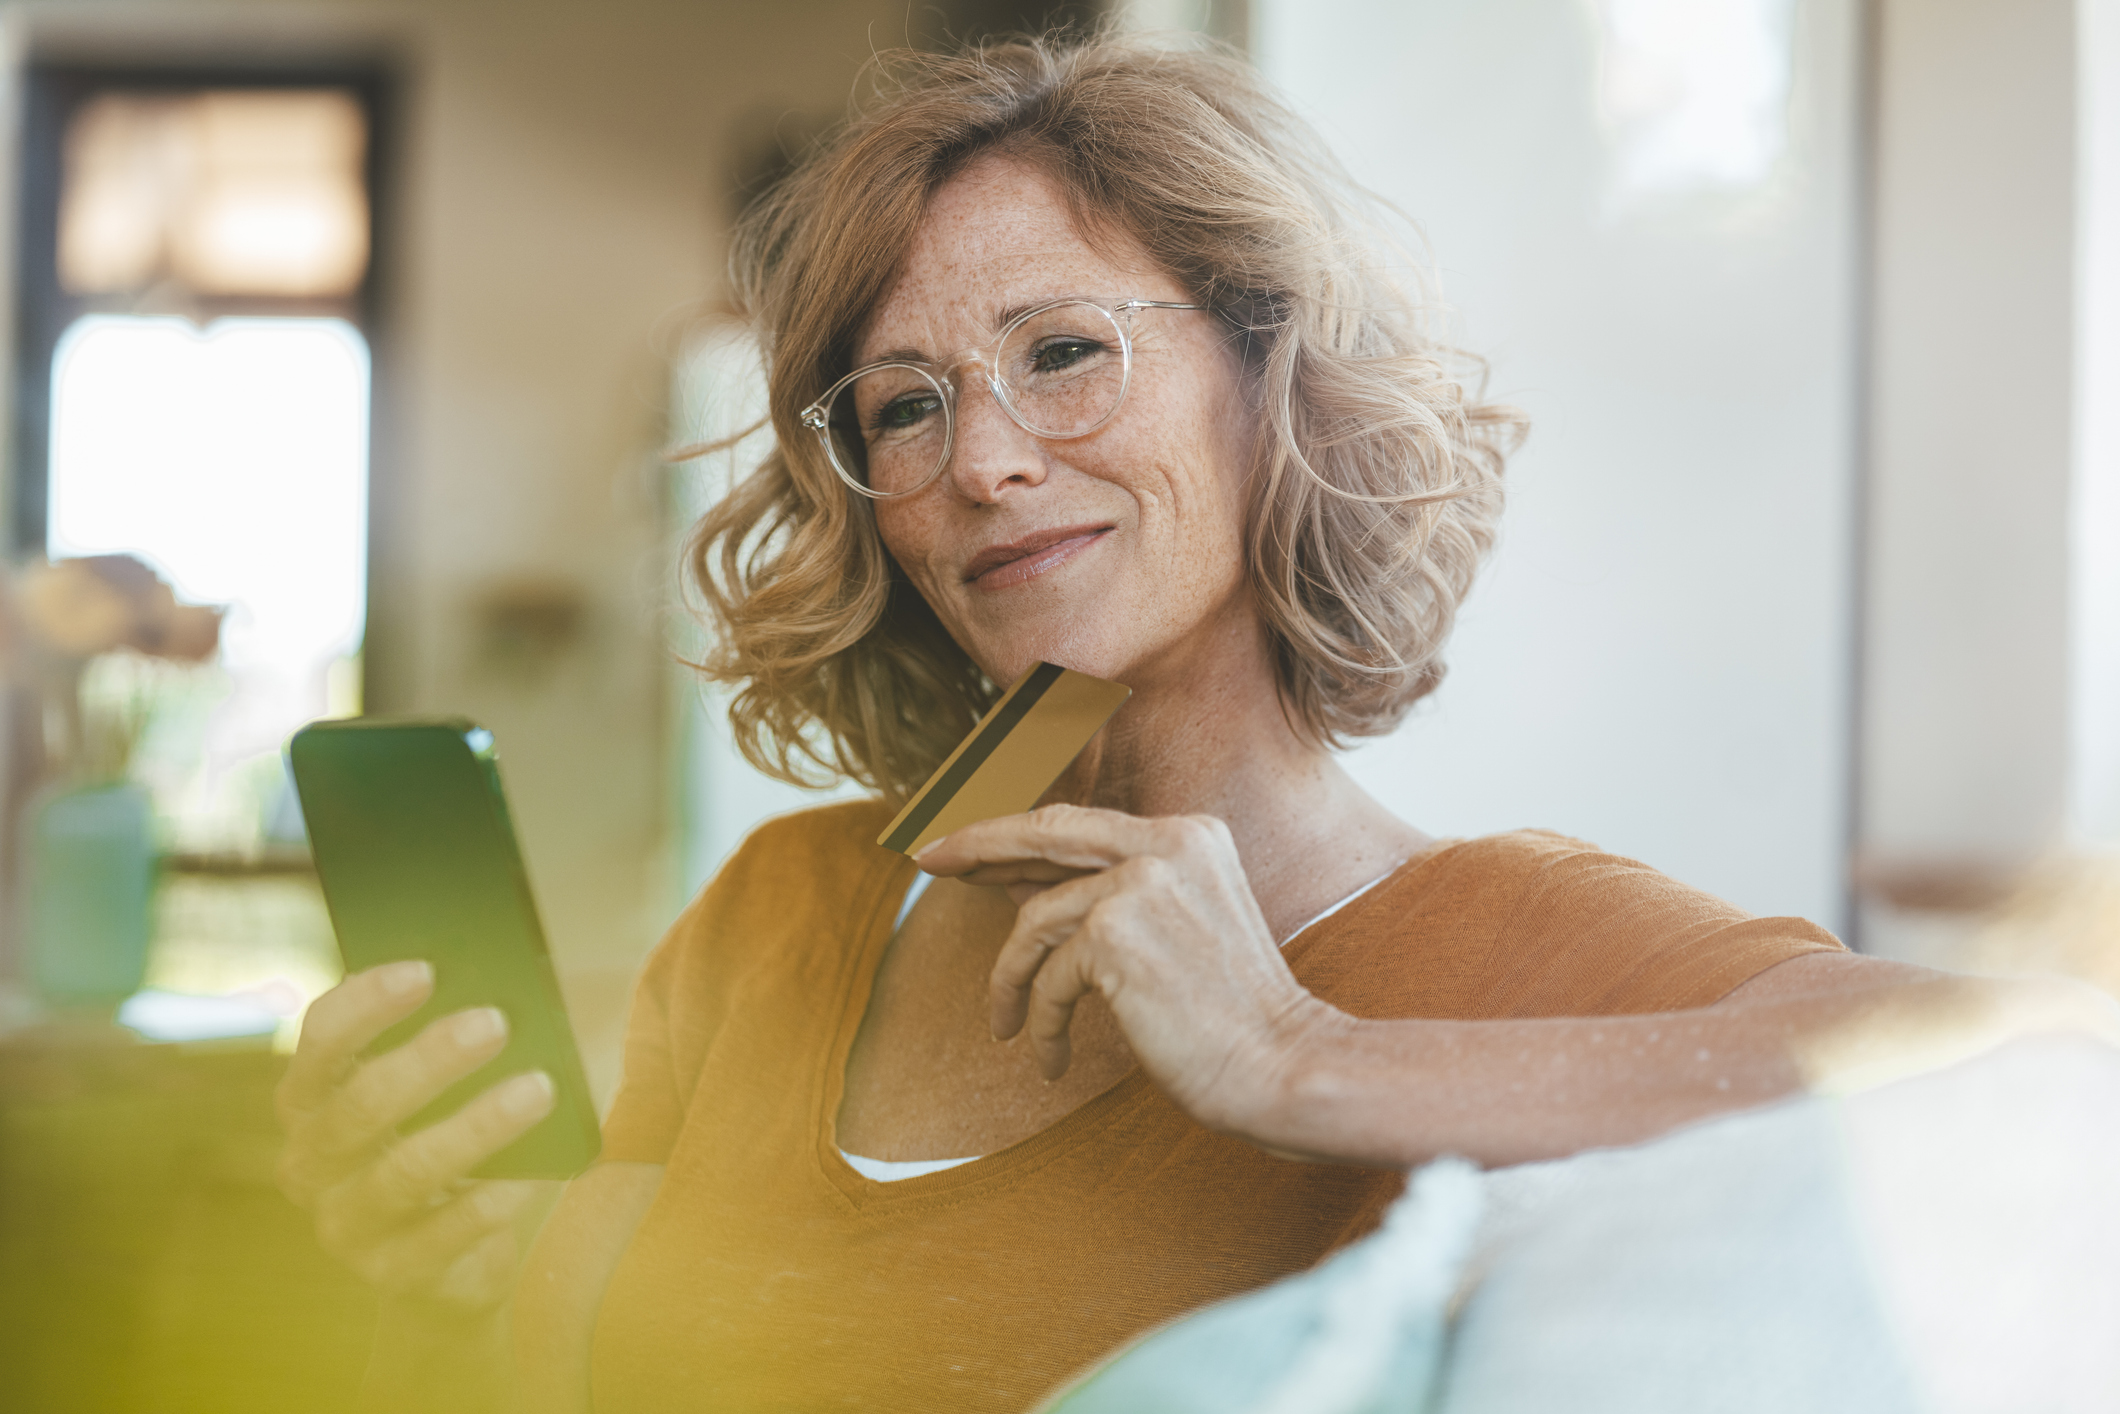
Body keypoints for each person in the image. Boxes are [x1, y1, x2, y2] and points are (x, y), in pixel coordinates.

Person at [271, 31, 2115, 1414]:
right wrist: (431, 1258)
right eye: (902, 407)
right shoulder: (781, 909)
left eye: (1065, 352)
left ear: (1271, 376)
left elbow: (2044, 1072)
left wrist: (1292, 1055)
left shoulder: (1500, 940)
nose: (984, 457)